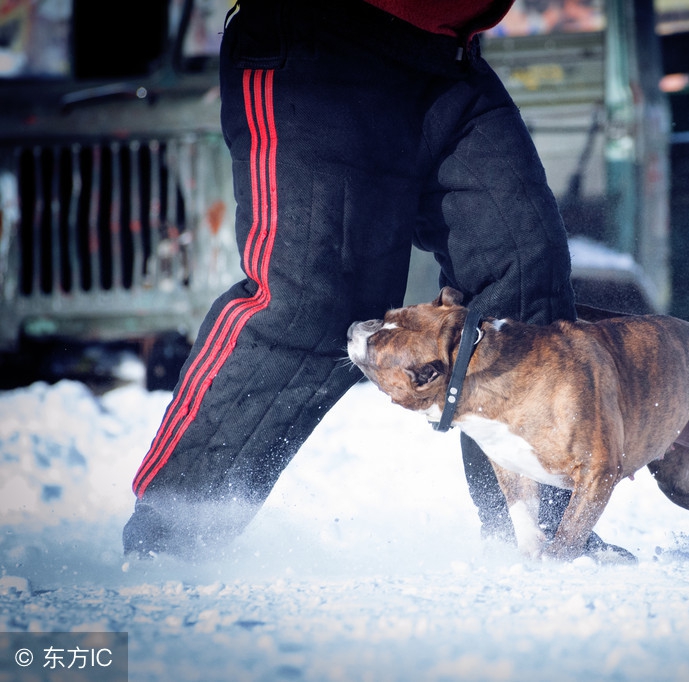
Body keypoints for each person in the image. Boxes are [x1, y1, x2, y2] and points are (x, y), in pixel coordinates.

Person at [123, 0, 632, 562]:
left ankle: (546, 536)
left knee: (522, 273)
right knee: (311, 303)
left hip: (447, 61)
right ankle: (167, 540)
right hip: (321, 48)